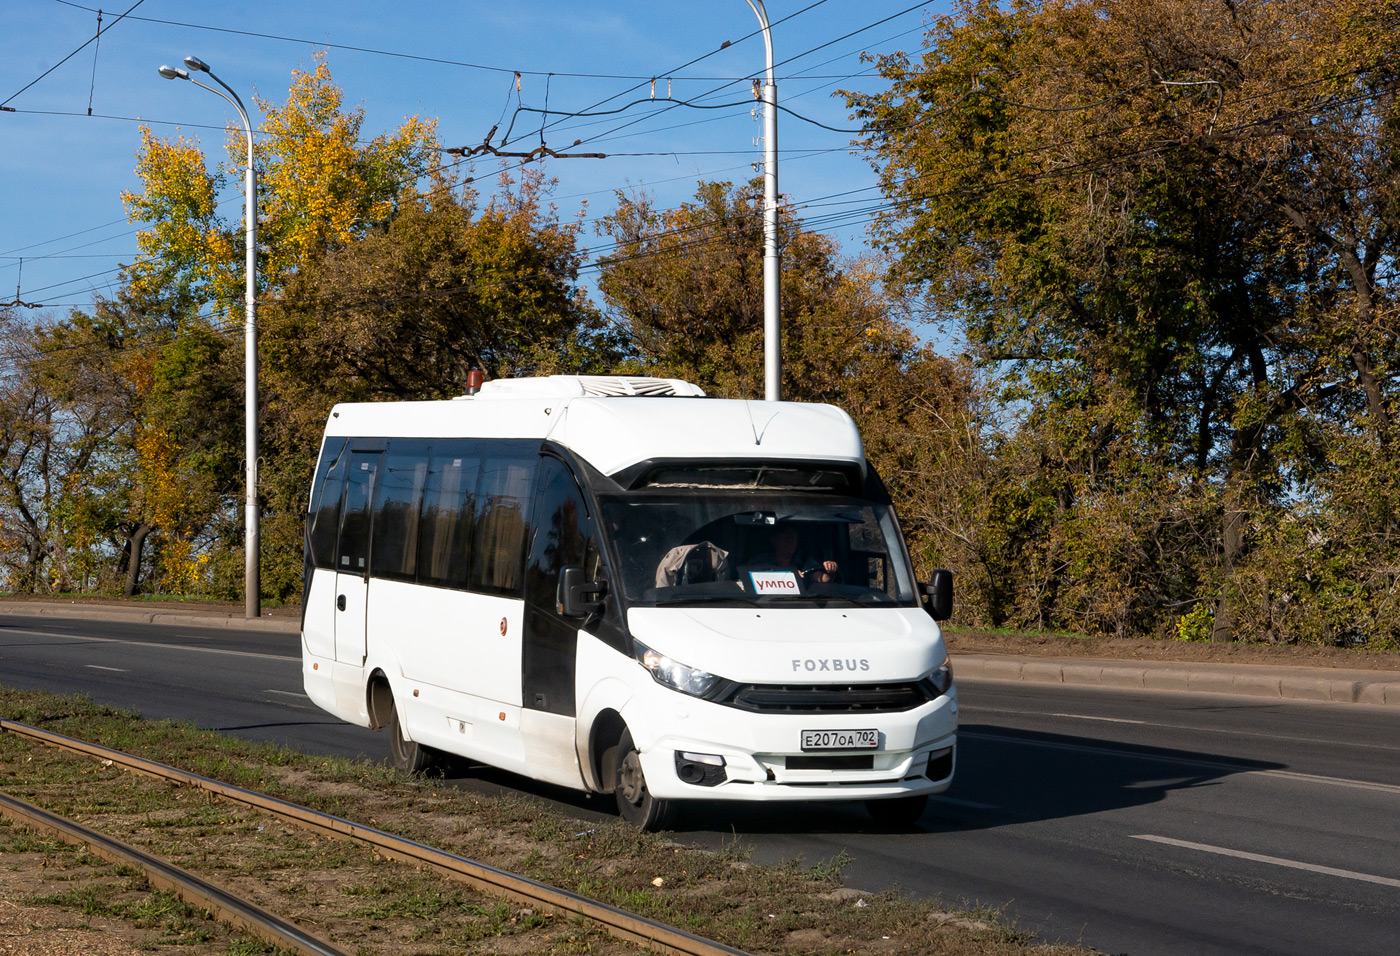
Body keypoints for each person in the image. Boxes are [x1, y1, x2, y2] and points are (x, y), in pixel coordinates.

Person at [755, 522, 837, 584]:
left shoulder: (804, 563)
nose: (791, 541)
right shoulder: (761, 561)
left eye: (794, 537)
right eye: (786, 537)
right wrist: (786, 575)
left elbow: (822, 578)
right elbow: (749, 577)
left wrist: (829, 571)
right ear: (774, 539)